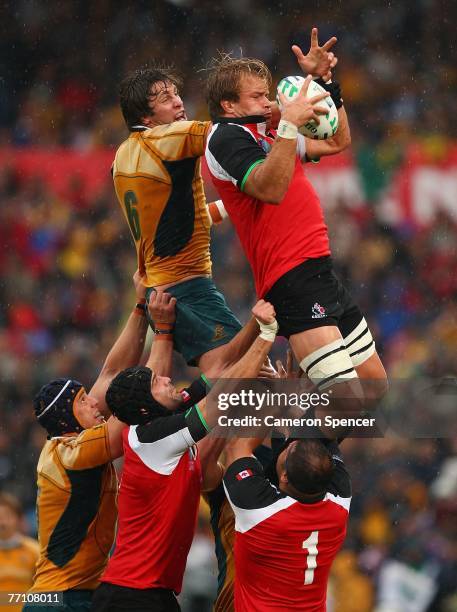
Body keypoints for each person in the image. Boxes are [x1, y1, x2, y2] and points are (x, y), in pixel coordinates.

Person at [113, 29, 337, 377]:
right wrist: (290, 108)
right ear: (145, 117)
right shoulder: (167, 137)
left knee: (246, 381)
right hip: (184, 287)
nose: (177, 102)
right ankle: (296, 433)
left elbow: (177, 218)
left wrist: (232, 207)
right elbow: (229, 129)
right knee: (239, 380)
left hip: (162, 284)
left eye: (175, 93)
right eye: (164, 98)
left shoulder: (122, 159)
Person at [204, 35, 388, 428]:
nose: (269, 103)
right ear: (229, 106)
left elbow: (339, 141)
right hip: (288, 278)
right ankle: (281, 446)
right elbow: (268, 189)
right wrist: (287, 123)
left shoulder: (270, 133)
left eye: (267, 95)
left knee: (373, 386)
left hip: (318, 270)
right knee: (347, 400)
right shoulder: (225, 137)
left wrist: (325, 84)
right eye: (256, 97)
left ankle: (292, 438)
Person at [90, 298, 279, 612]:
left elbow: (219, 370)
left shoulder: (166, 421)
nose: (166, 378)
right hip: (130, 596)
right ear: (144, 407)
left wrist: (254, 324)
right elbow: (218, 401)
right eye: (156, 383)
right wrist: (266, 337)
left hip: (153, 593)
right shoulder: (151, 437)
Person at [24, 272, 150, 611]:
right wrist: (162, 336)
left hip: (66, 595)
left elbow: (110, 375)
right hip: (62, 600)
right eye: (83, 400)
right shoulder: (73, 451)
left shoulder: (68, 439)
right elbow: (128, 400)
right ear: (67, 418)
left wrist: (140, 306)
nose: (94, 402)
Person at [222, 431, 351, 611]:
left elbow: (236, 445)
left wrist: (273, 405)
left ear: (284, 477)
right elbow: (328, 433)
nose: (290, 442)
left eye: (289, 447)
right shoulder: (340, 500)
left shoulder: (260, 509)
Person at [0, 492, 39, 612]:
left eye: (7, 516)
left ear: (19, 519)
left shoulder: (35, 550)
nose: (2, 523)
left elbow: (51, 595)